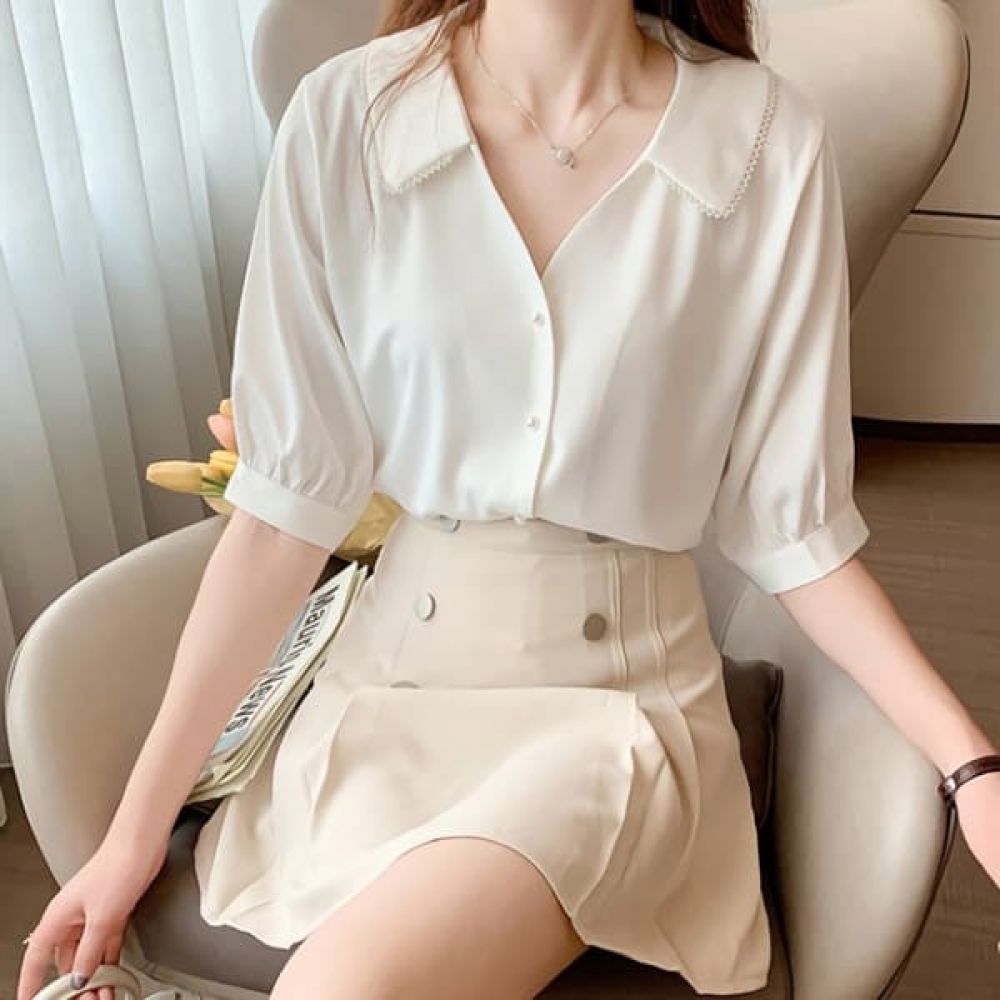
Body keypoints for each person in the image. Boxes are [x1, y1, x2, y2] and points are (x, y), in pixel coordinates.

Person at [18, 1, 1000, 998]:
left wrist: (970, 764)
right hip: (385, 702)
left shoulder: (762, 140)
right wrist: (131, 837)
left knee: (344, 986)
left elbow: (796, 529)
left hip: (615, 716)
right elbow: (281, 517)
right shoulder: (346, 118)